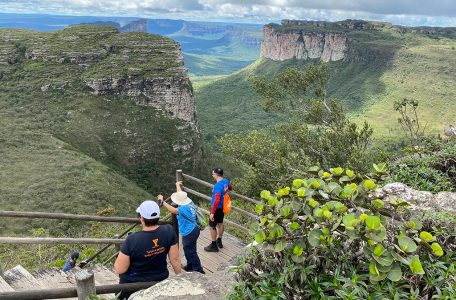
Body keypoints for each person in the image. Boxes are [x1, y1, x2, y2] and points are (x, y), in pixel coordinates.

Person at [114, 200, 181, 300]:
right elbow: (175, 260)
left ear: (141, 218)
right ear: (158, 216)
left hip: (133, 285)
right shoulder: (168, 230)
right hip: (160, 280)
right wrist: (180, 278)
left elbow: (120, 269)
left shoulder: (132, 239)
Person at [158, 181, 205, 274]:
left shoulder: (182, 209)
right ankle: (190, 265)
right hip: (194, 229)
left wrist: (163, 202)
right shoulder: (189, 202)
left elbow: (173, 210)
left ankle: (199, 270)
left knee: (191, 251)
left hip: (189, 232)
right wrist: (177, 185)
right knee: (189, 249)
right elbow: (181, 196)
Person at [204, 167, 232, 252]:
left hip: (216, 208)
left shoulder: (217, 186)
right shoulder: (225, 181)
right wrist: (225, 191)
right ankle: (219, 241)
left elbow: (216, 199)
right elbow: (230, 188)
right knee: (220, 223)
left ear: (216, 175)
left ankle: (213, 245)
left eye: (213, 174)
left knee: (212, 226)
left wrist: (212, 212)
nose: (212, 175)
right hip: (222, 207)